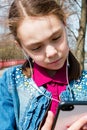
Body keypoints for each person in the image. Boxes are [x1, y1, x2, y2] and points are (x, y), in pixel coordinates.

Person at [0, 0, 87, 129]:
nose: (51, 52)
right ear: (21, 46)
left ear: (64, 24)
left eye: (56, 38)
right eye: (36, 47)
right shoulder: (10, 82)